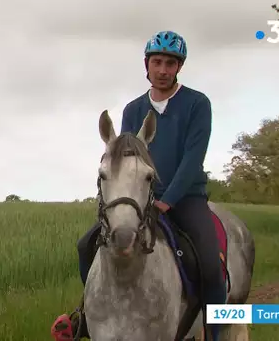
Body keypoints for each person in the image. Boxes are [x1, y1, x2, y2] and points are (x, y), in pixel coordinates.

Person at [50, 30, 226, 341]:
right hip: (139, 199)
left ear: (179, 68)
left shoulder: (198, 104)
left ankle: (216, 331)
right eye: (157, 62)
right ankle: (89, 318)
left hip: (185, 199)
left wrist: (167, 201)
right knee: (85, 246)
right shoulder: (133, 109)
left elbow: (192, 159)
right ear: (146, 65)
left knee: (211, 267)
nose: (162, 69)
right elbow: (125, 160)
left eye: (170, 63)